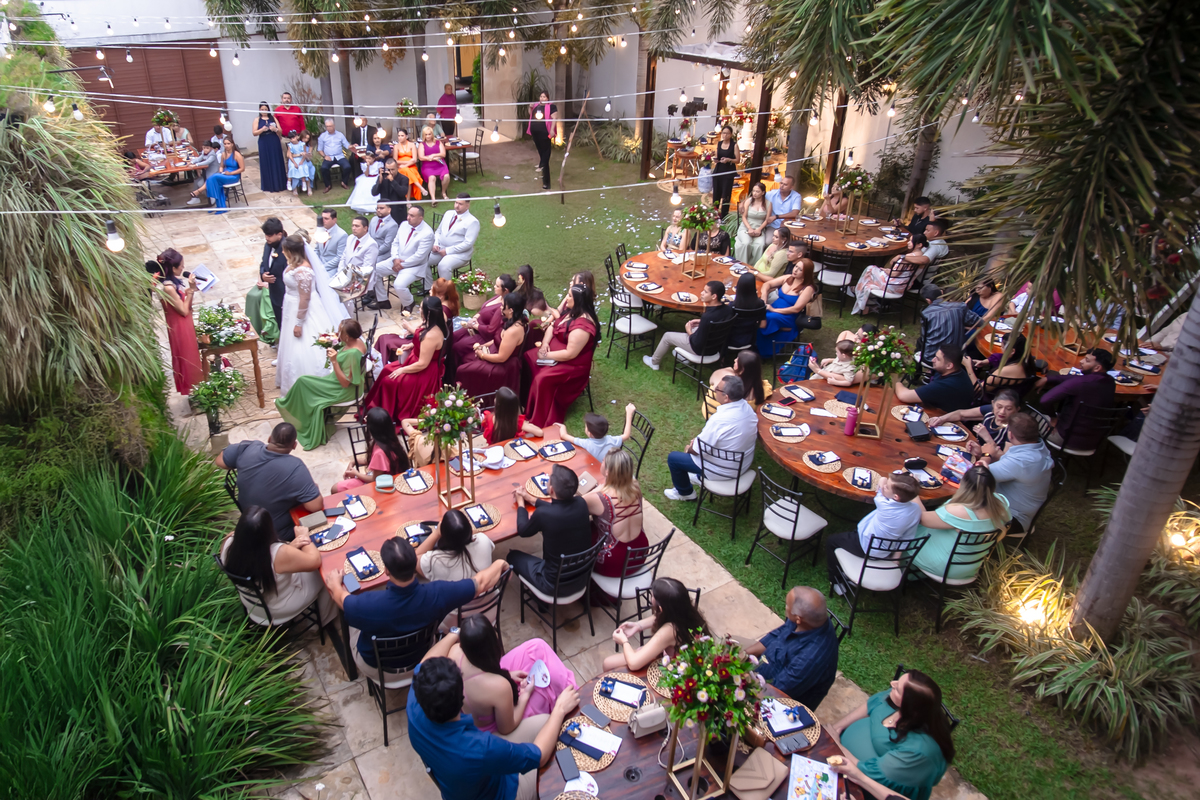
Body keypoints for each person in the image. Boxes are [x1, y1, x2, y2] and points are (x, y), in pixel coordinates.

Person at [322, 535, 509, 674]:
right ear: (415, 565)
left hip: (378, 666)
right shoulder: (438, 593)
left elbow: (340, 599)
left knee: (352, 625)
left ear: (386, 570)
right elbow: (481, 583)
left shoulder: (367, 605)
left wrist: (334, 584)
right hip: (425, 654)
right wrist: (500, 562)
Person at [407, 652, 580, 800]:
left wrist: (454, 634)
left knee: (545, 722)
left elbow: (425, 660)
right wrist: (560, 709)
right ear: (461, 697)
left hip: (461, 783)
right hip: (503, 791)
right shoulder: (480, 748)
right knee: (553, 755)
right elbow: (539, 755)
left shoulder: (414, 705)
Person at [426, 615, 577, 742]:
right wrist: (525, 695)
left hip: (482, 692)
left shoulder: (454, 652)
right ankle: (571, 698)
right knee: (544, 687)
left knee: (536, 647)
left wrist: (507, 674)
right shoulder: (498, 687)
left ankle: (568, 691)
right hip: (492, 727)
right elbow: (506, 728)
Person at [828, 670, 954, 800]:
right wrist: (837, 727)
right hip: (842, 757)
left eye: (898, 688)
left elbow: (866, 774)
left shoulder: (920, 753)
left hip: (870, 787)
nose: (892, 683)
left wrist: (835, 744)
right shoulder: (896, 698)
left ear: (910, 707)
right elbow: (872, 704)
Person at [219, 506, 337, 626]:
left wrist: (290, 548)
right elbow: (315, 560)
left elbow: (255, 557)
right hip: (279, 608)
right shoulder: (278, 554)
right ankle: (322, 622)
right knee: (326, 571)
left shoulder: (227, 543)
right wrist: (304, 537)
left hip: (253, 604)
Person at [216, 423, 323, 541]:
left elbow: (220, 461)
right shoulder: (295, 467)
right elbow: (316, 506)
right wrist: (314, 488)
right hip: (276, 534)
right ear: (294, 445)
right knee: (322, 519)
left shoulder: (249, 447)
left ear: (269, 439)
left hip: (249, 521)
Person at [276, 318, 367, 450]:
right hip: (336, 380)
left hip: (343, 389)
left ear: (346, 337)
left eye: (340, 330)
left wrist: (334, 361)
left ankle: (296, 414)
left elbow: (345, 383)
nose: (337, 332)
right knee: (303, 381)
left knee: (303, 382)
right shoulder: (357, 340)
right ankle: (299, 414)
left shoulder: (353, 354)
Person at [826, 472, 923, 593]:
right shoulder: (916, 511)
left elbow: (881, 485)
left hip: (865, 546)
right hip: (886, 550)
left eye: (887, 487)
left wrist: (883, 480)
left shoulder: (884, 505)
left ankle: (836, 580)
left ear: (896, 497)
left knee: (831, 540)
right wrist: (896, 559)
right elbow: (906, 537)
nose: (884, 487)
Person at [744, 587, 840, 710]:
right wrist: (744, 654)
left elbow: (775, 692)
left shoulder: (811, 658)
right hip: (763, 667)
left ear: (798, 619)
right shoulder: (804, 621)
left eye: (787, 606)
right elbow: (777, 634)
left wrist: (742, 676)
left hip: (775, 702)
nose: (785, 608)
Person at [665, 375, 757, 501]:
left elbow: (696, 450)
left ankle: (685, 493)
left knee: (674, 458)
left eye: (717, 389)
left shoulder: (720, 420)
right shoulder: (749, 410)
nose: (713, 390)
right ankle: (697, 477)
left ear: (726, 397)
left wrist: (689, 448)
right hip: (743, 465)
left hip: (722, 471)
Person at [912, 465, 1011, 581]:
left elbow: (922, 518)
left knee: (908, 531)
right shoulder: (1002, 502)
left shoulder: (959, 511)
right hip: (972, 565)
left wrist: (913, 492)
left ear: (964, 485)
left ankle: (904, 572)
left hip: (945, 566)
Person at [508, 465, 594, 596]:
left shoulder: (543, 514)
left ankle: (540, 600)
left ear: (552, 490)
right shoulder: (581, 503)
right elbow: (558, 509)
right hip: (581, 579)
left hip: (552, 584)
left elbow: (523, 531)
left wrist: (521, 503)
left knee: (512, 556)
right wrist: (531, 499)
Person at [522, 284, 600, 428]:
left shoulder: (583, 327)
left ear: (578, 300)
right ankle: (527, 401)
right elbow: (553, 325)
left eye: (570, 296)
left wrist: (546, 356)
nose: (567, 298)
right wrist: (545, 344)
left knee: (542, 378)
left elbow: (570, 354)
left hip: (572, 366)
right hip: (552, 351)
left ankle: (539, 417)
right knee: (527, 357)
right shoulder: (571, 311)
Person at [276, 234, 344, 394]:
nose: (283, 252)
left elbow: (305, 298)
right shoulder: (293, 265)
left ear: (291, 251)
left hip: (304, 311)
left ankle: (311, 383)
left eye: (285, 250)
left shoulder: (303, 271)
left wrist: (299, 323)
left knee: (304, 345)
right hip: (291, 308)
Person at [362, 296, 448, 421]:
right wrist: (412, 344)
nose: (419, 310)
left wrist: (402, 370)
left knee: (389, 381)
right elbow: (424, 343)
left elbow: (423, 364)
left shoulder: (432, 335)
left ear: (427, 312)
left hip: (423, 371)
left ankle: (386, 416)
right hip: (414, 361)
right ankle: (374, 408)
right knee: (386, 369)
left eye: (421, 308)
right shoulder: (432, 322)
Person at [971, 413, 1053, 537]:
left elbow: (976, 476)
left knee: (963, 498)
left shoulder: (1022, 462)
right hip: (1018, 508)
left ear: (1010, 434)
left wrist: (986, 456)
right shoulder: (1038, 448)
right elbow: (1007, 467)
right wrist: (981, 455)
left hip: (1012, 518)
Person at [602, 576, 710, 671]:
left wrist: (624, 641)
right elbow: (660, 616)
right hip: (673, 655)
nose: (651, 598)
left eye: (653, 596)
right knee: (609, 662)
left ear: (661, 608)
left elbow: (634, 664)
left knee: (608, 664)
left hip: (673, 669)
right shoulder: (684, 610)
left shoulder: (670, 630)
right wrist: (638, 625)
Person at [583, 448, 649, 596]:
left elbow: (576, 506)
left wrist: (597, 489)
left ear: (607, 472)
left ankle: (588, 589)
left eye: (603, 462)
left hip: (614, 562)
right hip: (639, 553)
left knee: (579, 535)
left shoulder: (600, 498)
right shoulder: (635, 486)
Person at [1035, 348, 1116, 450]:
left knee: (1027, 415)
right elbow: (1074, 379)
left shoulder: (1080, 383)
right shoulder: (1110, 382)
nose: (1081, 361)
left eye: (1087, 360)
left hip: (1065, 438)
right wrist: (1049, 378)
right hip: (1093, 442)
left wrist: (1053, 418)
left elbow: (1045, 400)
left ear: (1097, 368)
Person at [644, 280, 735, 370]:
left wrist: (689, 331)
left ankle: (654, 362)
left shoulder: (707, 317)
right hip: (715, 347)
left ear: (714, 296)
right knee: (695, 327)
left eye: (705, 292)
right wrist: (700, 321)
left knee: (667, 336)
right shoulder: (727, 310)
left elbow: (696, 343)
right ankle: (684, 356)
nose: (701, 293)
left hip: (700, 349)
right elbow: (716, 321)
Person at [459, 293, 530, 399]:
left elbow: (501, 358)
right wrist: (483, 345)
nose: (500, 308)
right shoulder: (511, 320)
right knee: (466, 358)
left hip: (503, 366)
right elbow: (497, 339)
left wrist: (482, 355)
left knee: (462, 370)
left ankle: (472, 400)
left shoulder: (514, 330)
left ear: (511, 310)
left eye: (503, 306)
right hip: (494, 352)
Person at [154, 249, 203, 395]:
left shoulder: (171, 283)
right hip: (179, 325)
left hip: (183, 322)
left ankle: (197, 389)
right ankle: (193, 391)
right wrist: (191, 291)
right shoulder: (168, 288)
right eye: (180, 266)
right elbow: (183, 310)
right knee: (187, 357)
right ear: (173, 268)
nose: (183, 268)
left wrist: (189, 292)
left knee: (192, 354)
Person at [371, 205, 434, 311]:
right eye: (408, 214)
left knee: (399, 285)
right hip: (396, 260)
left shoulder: (427, 233)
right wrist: (395, 258)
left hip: (414, 266)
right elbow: (395, 243)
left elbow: (419, 256)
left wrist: (401, 264)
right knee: (374, 270)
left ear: (420, 218)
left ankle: (409, 302)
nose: (408, 217)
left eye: (412, 216)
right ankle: (383, 301)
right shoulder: (404, 225)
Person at [332, 406, 409, 492]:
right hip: (389, 478)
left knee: (335, 488)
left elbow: (374, 479)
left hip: (382, 485)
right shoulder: (390, 440)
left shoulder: (380, 452)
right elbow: (379, 464)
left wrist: (356, 473)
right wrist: (354, 461)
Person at [929, 388, 1021, 459]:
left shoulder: (1014, 429)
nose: (1002, 412)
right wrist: (941, 419)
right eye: (999, 406)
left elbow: (1005, 458)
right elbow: (961, 414)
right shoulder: (990, 411)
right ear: (993, 404)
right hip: (974, 451)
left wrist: (987, 438)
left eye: (1008, 409)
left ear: (1017, 410)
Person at [758, 256, 822, 356]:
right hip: (774, 307)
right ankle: (755, 342)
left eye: (800, 269)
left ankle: (763, 349)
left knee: (767, 317)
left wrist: (774, 310)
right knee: (758, 312)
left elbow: (796, 309)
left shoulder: (808, 288)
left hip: (789, 315)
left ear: (806, 273)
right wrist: (764, 298)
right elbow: (767, 284)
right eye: (796, 266)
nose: (795, 270)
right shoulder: (788, 278)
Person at [413, 508, 498, 584]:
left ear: (443, 534)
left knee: (419, 579)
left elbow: (414, 559)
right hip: (490, 599)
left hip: (458, 601)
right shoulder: (483, 539)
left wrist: (435, 533)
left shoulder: (435, 560)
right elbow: (477, 534)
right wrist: (462, 530)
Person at [852, 235, 929, 316]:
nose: (908, 243)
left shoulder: (907, 258)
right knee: (869, 281)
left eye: (911, 241)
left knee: (870, 269)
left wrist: (885, 270)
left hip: (892, 285)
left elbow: (894, 273)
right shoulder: (922, 258)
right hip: (903, 286)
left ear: (919, 245)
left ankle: (859, 297)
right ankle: (867, 302)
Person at [893, 344, 976, 413]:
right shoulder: (957, 372)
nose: (933, 360)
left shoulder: (946, 385)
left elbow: (903, 396)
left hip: (947, 422)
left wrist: (897, 383)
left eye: (938, 359)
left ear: (949, 365)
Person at [454, 274, 515, 361]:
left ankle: (454, 369)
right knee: (454, 336)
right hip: (475, 326)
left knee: (457, 347)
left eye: (497, 286)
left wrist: (474, 325)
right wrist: (475, 317)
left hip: (483, 336)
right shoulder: (498, 296)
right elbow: (484, 310)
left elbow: (491, 330)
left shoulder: (503, 308)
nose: (494, 286)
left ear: (506, 290)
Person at [918, 284, 981, 366]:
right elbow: (979, 322)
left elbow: (924, 337)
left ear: (928, 300)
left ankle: (916, 374)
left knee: (920, 342)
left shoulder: (926, 313)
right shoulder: (960, 306)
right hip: (957, 357)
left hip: (932, 357)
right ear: (941, 292)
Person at [557, 404, 635, 462]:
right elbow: (626, 435)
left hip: (599, 473)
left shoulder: (586, 443)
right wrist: (629, 414)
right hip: (614, 471)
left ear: (590, 433)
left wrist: (562, 426)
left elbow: (564, 435)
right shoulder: (612, 440)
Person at [429, 193, 481, 280]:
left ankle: (446, 292)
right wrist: (436, 243)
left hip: (459, 254)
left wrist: (447, 251)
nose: (457, 206)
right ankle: (428, 287)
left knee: (443, 266)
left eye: (460, 204)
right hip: (440, 248)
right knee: (423, 260)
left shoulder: (472, 221)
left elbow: (468, 243)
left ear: (467, 205)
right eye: (456, 203)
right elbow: (438, 231)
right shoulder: (448, 213)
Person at [330, 216, 378, 300]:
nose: (354, 228)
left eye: (357, 226)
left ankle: (346, 311)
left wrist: (348, 279)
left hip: (360, 279)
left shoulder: (371, 244)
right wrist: (340, 273)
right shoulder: (350, 238)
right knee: (326, 287)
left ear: (365, 228)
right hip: (345, 274)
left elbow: (366, 268)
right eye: (353, 226)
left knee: (336, 293)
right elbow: (343, 258)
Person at [706, 350, 771, 414]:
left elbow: (713, 381)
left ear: (742, 370)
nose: (735, 360)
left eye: (738, 361)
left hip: (718, 413)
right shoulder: (761, 388)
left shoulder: (726, 382)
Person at [259, 218, 289, 329]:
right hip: (274, 293)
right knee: (280, 323)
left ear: (279, 234)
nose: (267, 238)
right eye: (266, 235)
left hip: (285, 293)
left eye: (270, 235)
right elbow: (263, 263)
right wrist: (263, 275)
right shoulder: (268, 245)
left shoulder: (287, 249)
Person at [252, 101, 287, 193]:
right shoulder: (257, 119)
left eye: (265, 109)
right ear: (259, 110)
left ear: (268, 109)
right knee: (266, 161)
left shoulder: (273, 118)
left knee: (276, 160)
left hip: (273, 140)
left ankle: (280, 184)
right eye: (262, 109)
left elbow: (281, 131)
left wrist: (274, 129)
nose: (264, 111)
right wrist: (262, 129)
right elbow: (254, 133)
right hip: (264, 141)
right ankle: (268, 185)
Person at [734, 181, 773, 263]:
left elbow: (767, 219)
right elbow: (744, 217)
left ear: (763, 192)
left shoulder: (768, 204)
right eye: (753, 191)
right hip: (746, 227)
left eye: (757, 191)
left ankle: (753, 266)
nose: (754, 193)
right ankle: (743, 264)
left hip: (759, 228)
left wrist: (759, 229)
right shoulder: (749, 201)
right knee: (746, 243)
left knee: (760, 245)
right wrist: (749, 228)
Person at [728, 272, 768, 350]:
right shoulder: (760, 304)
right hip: (749, 339)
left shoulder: (732, 305)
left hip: (730, 339)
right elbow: (763, 325)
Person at [205, 137, 245, 214]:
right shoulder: (223, 154)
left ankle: (218, 205)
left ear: (232, 144)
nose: (226, 145)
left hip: (233, 176)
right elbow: (221, 166)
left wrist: (231, 173)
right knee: (216, 182)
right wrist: (220, 170)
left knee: (213, 177)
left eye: (228, 144)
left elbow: (242, 169)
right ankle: (220, 206)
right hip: (225, 174)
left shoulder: (237, 155)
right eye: (225, 144)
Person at [528, 91, 558, 191]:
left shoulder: (552, 107)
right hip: (535, 133)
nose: (542, 98)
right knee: (542, 153)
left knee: (546, 154)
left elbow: (554, 118)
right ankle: (542, 166)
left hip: (545, 133)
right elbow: (530, 115)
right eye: (541, 96)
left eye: (544, 97)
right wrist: (530, 107)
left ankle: (546, 180)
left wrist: (552, 130)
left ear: (547, 98)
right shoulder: (536, 106)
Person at [711, 124, 740, 217]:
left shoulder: (734, 145)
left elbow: (738, 160)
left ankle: (724, 216)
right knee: (716, 193)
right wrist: (715, 160)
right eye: (723, 133)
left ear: (731, 134)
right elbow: (717, 156)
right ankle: (714, 214)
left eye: (727, 133)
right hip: (718, 170)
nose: (725, 135)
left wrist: (729, 160)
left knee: (726, 195)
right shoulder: (719, 144)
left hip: (728, 172)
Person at [418, 125, 452, 203]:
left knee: (446, 176)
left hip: (440, 165)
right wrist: (433, 159)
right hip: (428, 166)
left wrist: (433, 155)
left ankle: (443, 192)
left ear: (432, 134)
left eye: (429, 134)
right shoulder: (422, 144)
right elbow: (421, 157)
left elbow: (443, 154)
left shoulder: (438, 142)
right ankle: (433, 199)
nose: (428, 136)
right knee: (432, 178)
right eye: (426, 134)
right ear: (423, 135)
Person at [316, 118, 352, 192]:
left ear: (334, 126)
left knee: (347, 167)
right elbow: (319, 149)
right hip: (328, 157)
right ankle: (328, 185)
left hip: (340, 156)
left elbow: (347, 145)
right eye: (327, 126)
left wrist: (352, 146)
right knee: (324, 168)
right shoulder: (322, 136)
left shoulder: (340, 135)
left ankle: (344, 182)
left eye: (330, 126)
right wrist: (324, 156)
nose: (328, 128)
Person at [367, 202, 399, 281]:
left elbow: (387, 245)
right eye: (377, 208)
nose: (378, 210)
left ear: (389, 210)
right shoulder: (374, 219)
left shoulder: (392, 225)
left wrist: (374, 252)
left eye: (381, 208)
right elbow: (368, 236)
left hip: (383, 253)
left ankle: (372, 289)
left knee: (369, 266)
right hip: (370, 250)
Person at [392, 129, 428, 199]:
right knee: (407, 173)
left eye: (402, 136)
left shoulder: (412, 145)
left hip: (411, 167)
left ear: (406, 136)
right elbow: (395, 161)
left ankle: (408, 200)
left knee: (408, 173)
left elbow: (414, 160)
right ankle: (420, 188)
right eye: (399, 136)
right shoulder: (396, 146)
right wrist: (408, 162)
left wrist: (405, 165)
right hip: (400, 168)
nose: (400, 137)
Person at [312, 208, 347, 276]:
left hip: (332, 269)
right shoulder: (319, 231)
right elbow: (317, 249)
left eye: (326, 219)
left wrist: (322, 268)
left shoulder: (342, 235)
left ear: (334, 220)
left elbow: (339, 257)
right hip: (319, 265)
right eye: (322, 218)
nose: (323, 221)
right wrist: (316, 263)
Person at [185, 141, 223, 205]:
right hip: (207, 172)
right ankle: (195, 198)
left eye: (207, 148)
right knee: (196, 181)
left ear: (211, 148)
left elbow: (207, 162)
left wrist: (196, 165)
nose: (205, 149)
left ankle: (212, 197)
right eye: (204, 148)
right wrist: (192, 162)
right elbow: (199, 158)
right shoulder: (204, 152)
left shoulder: (212, 154)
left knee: (200, 183)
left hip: (214, 173)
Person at [285, 130, 312, 195]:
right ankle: (289, 183)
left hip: (301, 159)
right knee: (292, 168)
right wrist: (294, 162)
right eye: (291, 138)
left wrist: (302, 161)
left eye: (293, 138)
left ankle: (304, 183)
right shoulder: (290, 145)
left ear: (297, 137)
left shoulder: (302, 144)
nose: (292, 140)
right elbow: (289, 155)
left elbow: (305, 154)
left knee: (302, 167)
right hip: (293, 160)